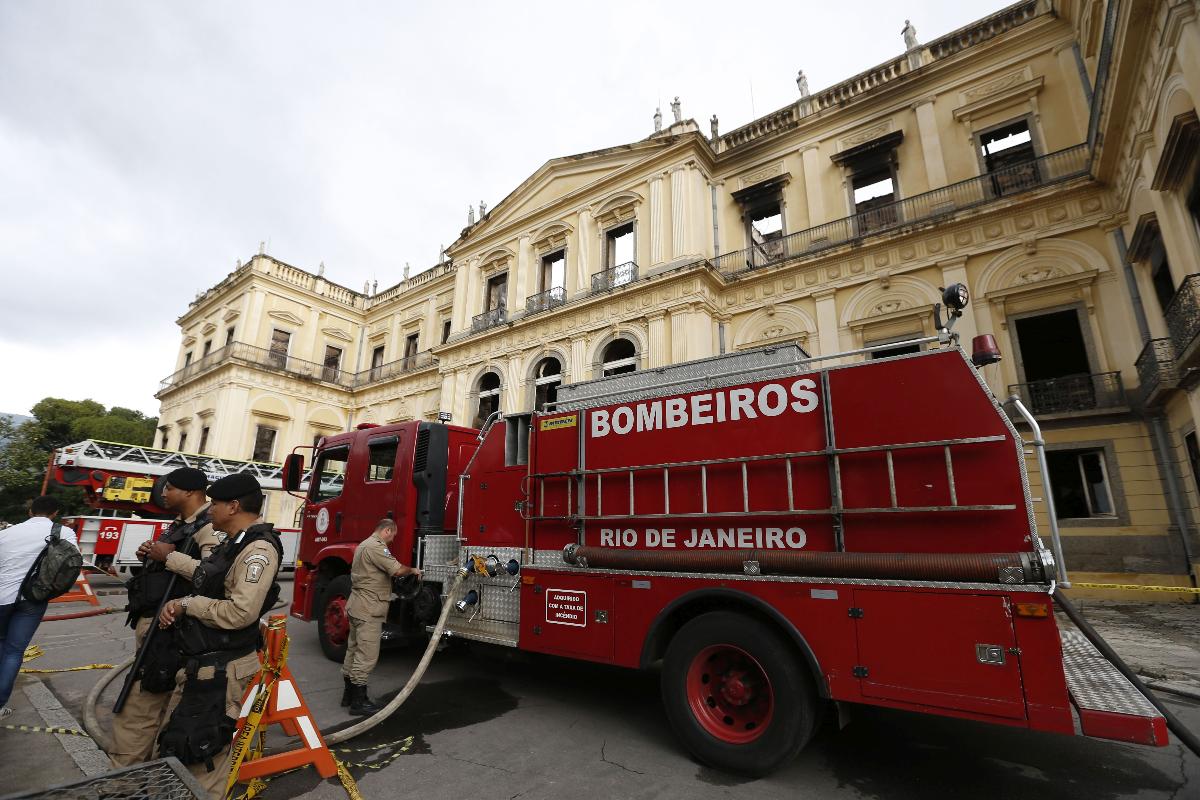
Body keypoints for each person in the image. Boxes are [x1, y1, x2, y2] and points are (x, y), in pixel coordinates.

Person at [154, 473, 282, 799]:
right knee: (179, 743)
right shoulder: (234, 543)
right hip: (204, 664)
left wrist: (187, 603)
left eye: (216, 503)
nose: (209, 510)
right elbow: (207, 574)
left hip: (222, 669)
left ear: (234, 506)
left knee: (202, 754)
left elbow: (241, 612)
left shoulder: (259, 550)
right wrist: (169, 558)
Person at [110, 466, 222, 767]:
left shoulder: (209, 526)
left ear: (189, 492)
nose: (163, 492)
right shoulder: (179, 523)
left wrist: (168, 557)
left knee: (141, 705)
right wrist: (151, 554)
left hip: (172, 628)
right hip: (155, 621)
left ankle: (124, 780)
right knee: (151, 701)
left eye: (169, 487)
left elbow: (214, 575)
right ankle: (142, 770)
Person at [0, 496, 78, 719]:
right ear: (55, 513)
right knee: (14, 651)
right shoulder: (64, 533)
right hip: (33, 599)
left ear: (30, 511)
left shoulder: (5, 533)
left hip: (1, 598)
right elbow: (72, 565)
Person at [341, 518, 421, 715]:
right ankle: (358, 703)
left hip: (357, 605)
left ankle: (348, 695)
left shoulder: (363, 545)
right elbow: (397, 570)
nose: (392, 540)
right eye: (392, 535)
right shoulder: (376, 547)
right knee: (366, 655)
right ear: (387, 530)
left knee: (353, 649)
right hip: (369, 608)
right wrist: (413, 570)